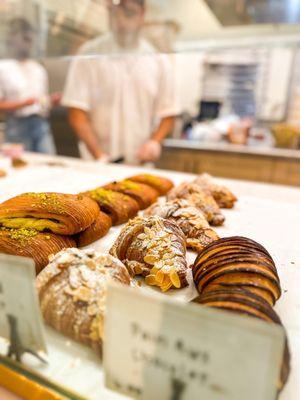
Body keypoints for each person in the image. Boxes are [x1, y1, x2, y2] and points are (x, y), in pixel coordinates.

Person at [62, 0, 178, 164]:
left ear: (142, 14)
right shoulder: (89, 54)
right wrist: (99, 155)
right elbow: (76, 112)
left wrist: (154, 142)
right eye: (115, 14)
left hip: (140, 166)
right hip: (97, 164)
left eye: (129, 13)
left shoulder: (158, 60)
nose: (121, 22)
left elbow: (168, 112)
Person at [0, 18, 57, 154]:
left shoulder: (38, 68)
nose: (28, 43)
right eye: (24, 38)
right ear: (12, 38)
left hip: (41, 124)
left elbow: (43, 103)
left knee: (49, 166)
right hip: (17, 126)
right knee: (21, 168)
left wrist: (51, 101)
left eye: (30, 39)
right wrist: (23, 104)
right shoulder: (3, 67)